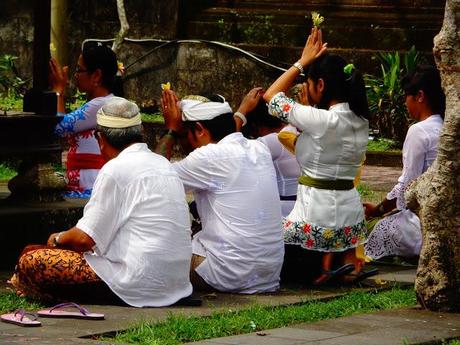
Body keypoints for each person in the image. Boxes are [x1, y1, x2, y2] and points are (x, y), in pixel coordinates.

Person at [10, 97, 193, 307]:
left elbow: (83, 240)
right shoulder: (164, 164)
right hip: (176, 285)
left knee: (31, 260)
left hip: (135, 283)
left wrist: (57, 239)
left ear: (100, 139)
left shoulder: (116, 169)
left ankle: (30, 285)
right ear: (140, 133)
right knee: (37, 253)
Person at [263, 27, 371, 284]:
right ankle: (339, 266)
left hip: (315, 214)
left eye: (309, 83)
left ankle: (320, 270)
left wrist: (302, 62)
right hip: (349, 215)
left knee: (266, 240)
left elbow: (271, 97)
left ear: (320, 85)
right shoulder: (360, 119)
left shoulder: (321, 119)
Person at [156, 91, 284, 294]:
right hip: (267, 276)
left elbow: (149, 177)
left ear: (198, 129)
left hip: (226, 276)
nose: (181, 142)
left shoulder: (207, 157)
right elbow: (230, 136)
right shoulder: (259, 149)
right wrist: (240, 113)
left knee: (147, 252)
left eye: (182, 135)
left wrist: (170, 130)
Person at [364, 65, 445, 260]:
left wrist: (379, 210)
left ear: (419, 96)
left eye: (406, 96)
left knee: (365, 229)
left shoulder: (419, 131)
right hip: (446, 218)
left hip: (421, 224)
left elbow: (407, 186)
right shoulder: (447, 127)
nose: (405, 102)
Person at [50, 42, 120, 197]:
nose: (75, 75)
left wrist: (58, 90)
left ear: (96, 75)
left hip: (90, 182)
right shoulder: (102, 103)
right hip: (86, 180)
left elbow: (58, 127)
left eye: (79, 70)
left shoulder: (100, 104)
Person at [237, 87, 300, 217]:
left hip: (286, 213)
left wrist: (241, 111)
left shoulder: (272, 142)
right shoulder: (296, 129)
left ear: (253, 125)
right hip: (306, 207)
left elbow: (229, 151)